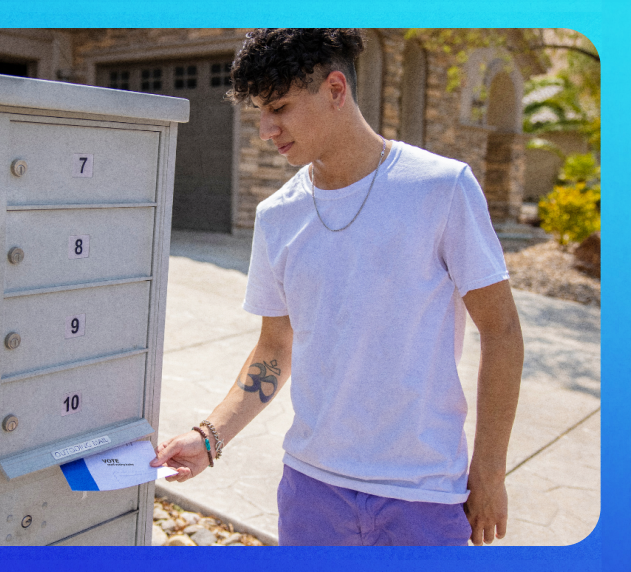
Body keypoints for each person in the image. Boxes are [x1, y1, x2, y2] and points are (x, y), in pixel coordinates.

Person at [150, 28, 524, 547]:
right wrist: (210, 437)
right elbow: (275, 347)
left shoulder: (442, 188)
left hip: (422, 493)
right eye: (259, 111)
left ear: (334, 89)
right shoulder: (277, 216)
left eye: (278, 107)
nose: (266, 129)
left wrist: (489, 473)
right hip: (311, 488)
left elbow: (502, 331)